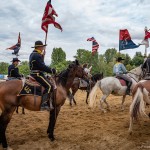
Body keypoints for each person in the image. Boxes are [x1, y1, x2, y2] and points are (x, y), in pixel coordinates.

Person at [29, 40, 57, 111]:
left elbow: (39, 64)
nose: (43, 48)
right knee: (49, 86)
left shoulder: (33, 54)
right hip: (37, 74)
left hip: (34, 73)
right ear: (39, 47)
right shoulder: (37, 55)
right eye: (42, 47)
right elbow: (42, 66)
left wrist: (42, 56)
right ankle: (43, 104)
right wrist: (51, 70)